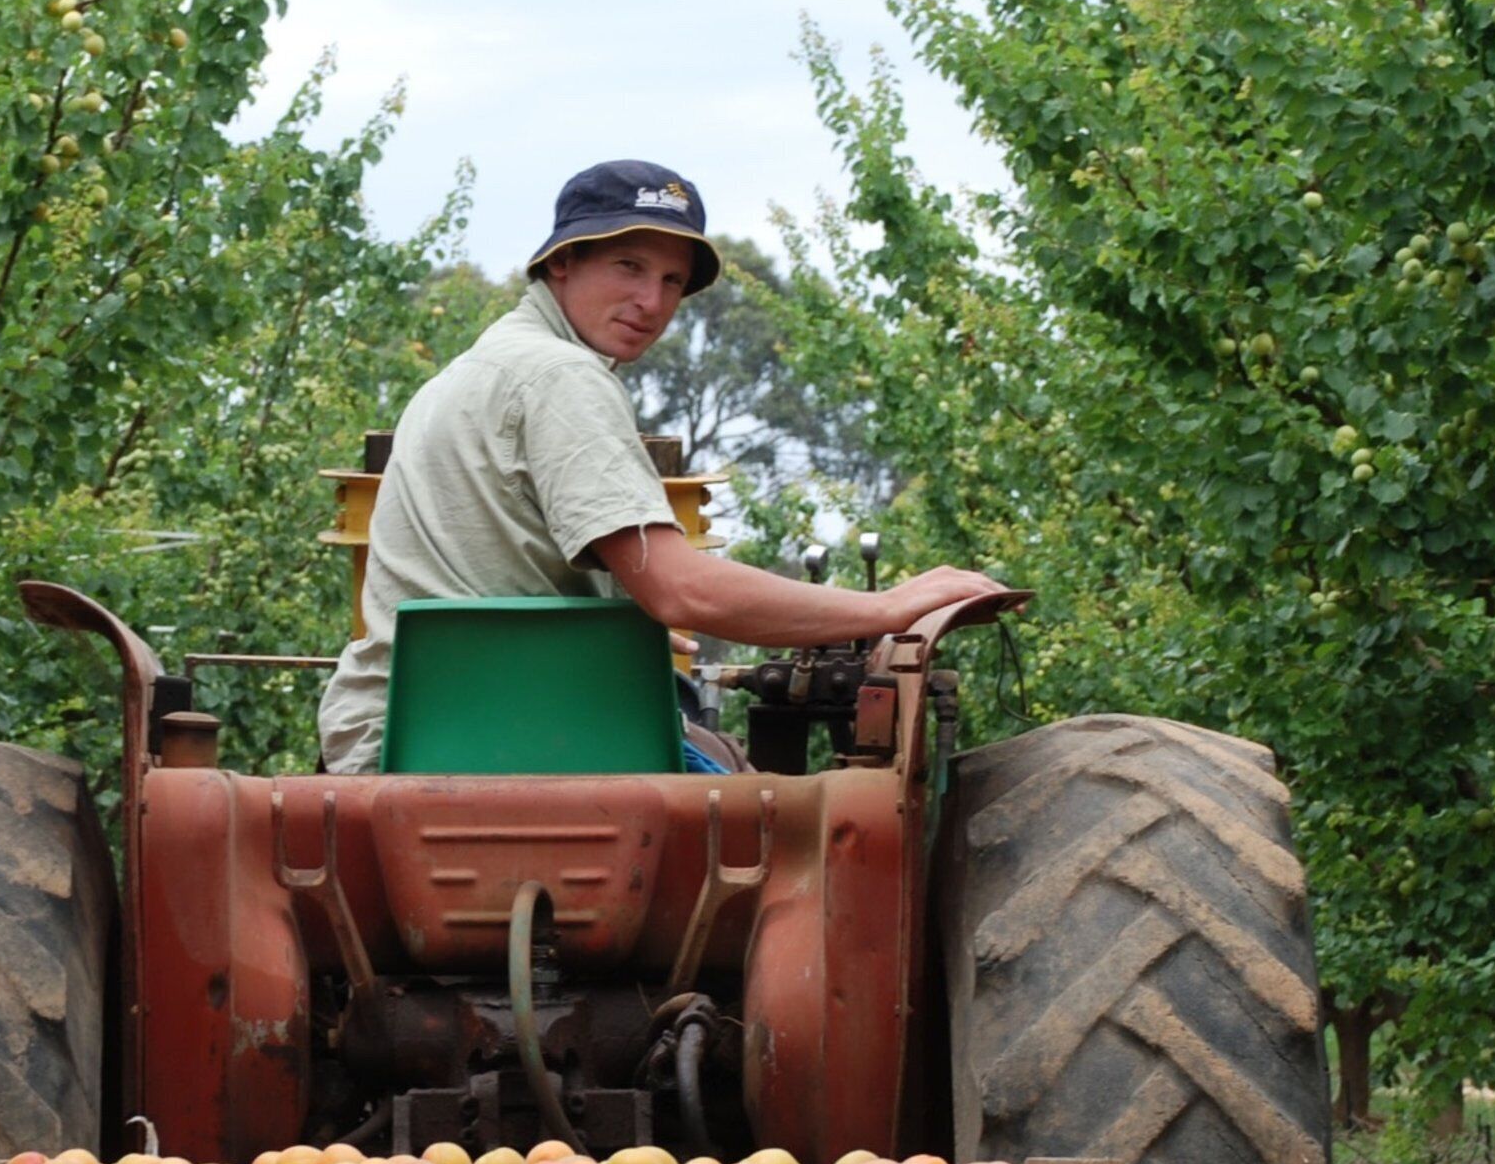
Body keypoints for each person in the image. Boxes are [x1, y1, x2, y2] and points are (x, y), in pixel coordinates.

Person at [315, 159, 1011, 772]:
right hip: (508, 740)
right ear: (562, 261)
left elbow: (489, 579)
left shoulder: (471, 372)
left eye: (673, 281)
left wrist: (612, 631)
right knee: (794, 835)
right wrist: (887, 608)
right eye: (629, 267)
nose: (652, 303)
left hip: (405, 731)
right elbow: (683, 593)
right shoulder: (562, 377)